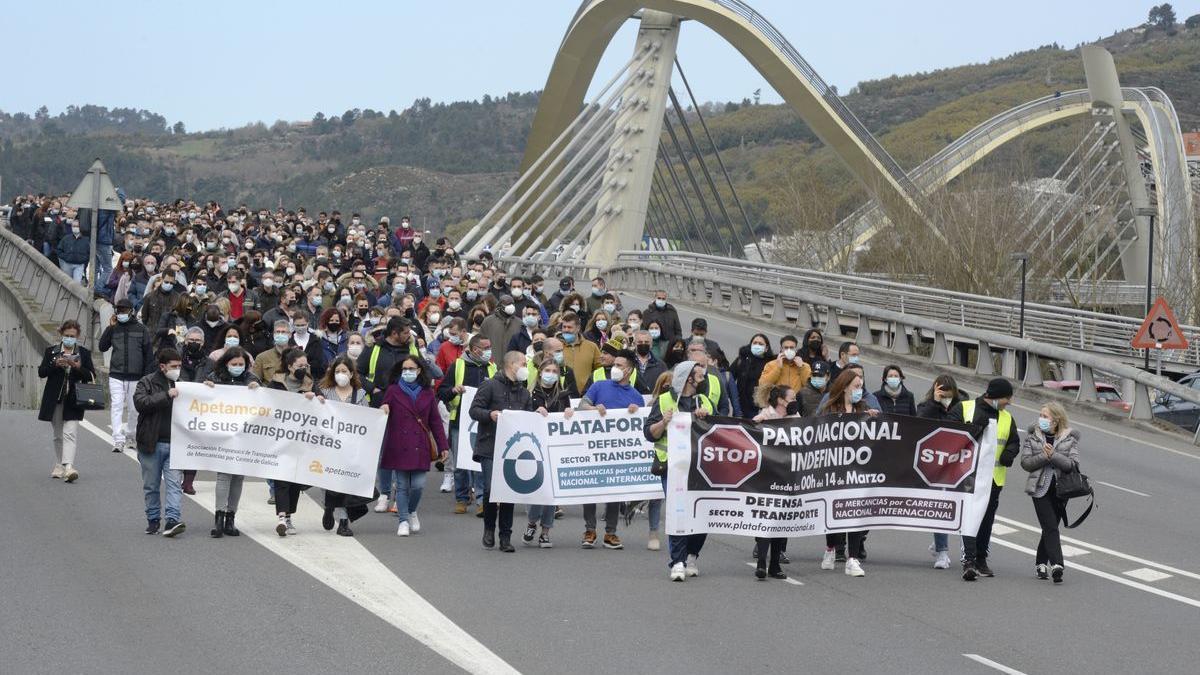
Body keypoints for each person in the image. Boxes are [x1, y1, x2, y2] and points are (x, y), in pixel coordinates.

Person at [644, 361, 712, 582]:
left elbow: (721, 432)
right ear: (687, 377)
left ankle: (692, 555)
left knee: (701, 514)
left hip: (701, 469)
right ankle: (678, 561)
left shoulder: (704, 402)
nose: (702, 375)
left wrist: (707, 419)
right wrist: (663, 422)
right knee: (678, 511)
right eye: (698, 373)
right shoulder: (664, 400)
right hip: (672, 468)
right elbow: (649, 434)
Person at [469, 351, 541, 553]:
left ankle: (506, 536)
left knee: (509, 491)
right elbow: (474, 410)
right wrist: (489, 414)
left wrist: (538, 414)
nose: (526, 367)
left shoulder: (524, 392)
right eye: (523, 363)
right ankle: (489, 530)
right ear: (511, 365)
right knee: (492, 490)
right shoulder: (490, 385)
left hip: (513, 450)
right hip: (490, 445)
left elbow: (526, 420)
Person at [950, 377, 1020, 581]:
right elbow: (948, 434)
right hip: (968, 476)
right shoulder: (965, 409)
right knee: (970, 517)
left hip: (994, 479)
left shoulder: (1007, 418)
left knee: (987, 521)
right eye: (1007, 398)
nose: (1009, 402)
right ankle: (969, 561)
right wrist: (974, 429)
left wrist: (1010, 452)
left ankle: (981, 558)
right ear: (996, 396)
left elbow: (1014, 441)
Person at [577, 349, 644, 550]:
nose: (615, 368)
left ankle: (610, 533)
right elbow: (582, 406)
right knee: (590, 490)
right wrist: (594, 410)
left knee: (613, 492)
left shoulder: (636, 396)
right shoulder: (599, 386)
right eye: (615, 364)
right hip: (593, 448)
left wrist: (636, 411)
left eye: (620, 366)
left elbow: (641, 425)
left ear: (629, 371)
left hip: (617, 452)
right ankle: (590, 530)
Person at [379, 355, 450, 536]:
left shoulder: (427, 393)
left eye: (411, 369)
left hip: (420, 444)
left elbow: (435, 421)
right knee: (402, 485)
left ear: (419, 371)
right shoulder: (393, 390)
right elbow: (384, 407)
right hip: (399, 444)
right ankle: (403, 520)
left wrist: (443, 446)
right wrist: (384, 408)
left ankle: (411, 511)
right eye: (404, 369)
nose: (407, 372)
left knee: (418, 485)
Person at [818, 369, 876, 577]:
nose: (860, 391)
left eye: (861, 387)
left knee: (855, 513)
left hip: (858, 471)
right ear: (844, 388)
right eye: (856, 387)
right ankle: (830, 548)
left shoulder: (864, 409)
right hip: (834, 471)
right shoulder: (829, 409)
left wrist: (873, 420)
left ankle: (852, 559)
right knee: (834, 514)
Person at [200, 347, 261, 538]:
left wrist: (254, 386)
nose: (237, 367)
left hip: (244, 436)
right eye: (234, 364)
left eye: (241, 364)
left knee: (238, 477)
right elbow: (203, 396)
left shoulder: (250, 379)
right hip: (223, 435)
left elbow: (261, 397)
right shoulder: (214, 377)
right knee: (224, 475)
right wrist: (207, 387)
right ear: (226, 363)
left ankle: (230, 517)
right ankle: (218, 518)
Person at [314, 355, 375, 536]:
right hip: (329, 446)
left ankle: (343, 522)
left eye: (344, 371)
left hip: (350, 448)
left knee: (345, 484)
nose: (341, 374)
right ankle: (328, 506)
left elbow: (367, 420)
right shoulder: (324, 392)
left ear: (351, 373)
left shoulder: (361, 394)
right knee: (329, 482)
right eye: (338, 371)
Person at [436, 334, 495, 515]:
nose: (488, 351)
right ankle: (461, 498)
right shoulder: (458, 365)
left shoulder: (492, 368)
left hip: (483, 422)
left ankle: (481, 500)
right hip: (460, 421)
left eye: (489, 347)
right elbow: (442, 391)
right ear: (474, 349)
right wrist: (454, 390)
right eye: (485, 348)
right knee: (461, 463)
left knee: (480, 462)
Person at [1020, 402, 1079, 584]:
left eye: (1045, 416)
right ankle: (1057, 564)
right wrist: (1044, 456)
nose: (1041, 419)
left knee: (1050, 526)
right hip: (1040, 488)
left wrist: (1053, 455)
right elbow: (1026, 463)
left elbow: (1072, 465)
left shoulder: (1070, 439)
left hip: (1062, 490)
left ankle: (1040, 563)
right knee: (1050, 526)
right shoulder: (1033, 437)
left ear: (1056, 419)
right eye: (1041, 415)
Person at [132, 347, 187, 537]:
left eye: (180, 365)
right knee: (151, 485)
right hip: (151, 443)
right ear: (163, 366)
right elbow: (141, 403)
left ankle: (172, 519)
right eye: (174, 366)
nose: (177, 369)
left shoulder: (183, 384)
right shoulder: (146, 382)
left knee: (174, 484)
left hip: (176, 444)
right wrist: (166, 395)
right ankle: (153, 519)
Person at [38, 320, 96, 483]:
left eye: (72, 336)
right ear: (61, 335)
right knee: (58, 434)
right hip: (55, 398)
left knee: (69, 432)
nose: (69, 338)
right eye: (66, 336)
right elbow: (42, 372)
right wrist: (55, 364)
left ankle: (69, 466)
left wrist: (76, 366)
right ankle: (59, 464)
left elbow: (91, 375)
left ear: (78, 336)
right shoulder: (52, 351)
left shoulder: (83, 353)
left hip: (74, 398)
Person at [266, 348, 316, 536]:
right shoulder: (276, 383)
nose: (304, 368)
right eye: (300, 365)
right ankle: (281, 517)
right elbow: (266, 403)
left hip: (301, 440)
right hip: (279, 438)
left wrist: (316, 399)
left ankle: (288, 516)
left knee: (295, 480)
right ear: (289, 366)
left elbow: (322, 406)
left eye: (306, 365)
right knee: (281, 479)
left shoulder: (310, 383)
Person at [524, 356, 572, 548]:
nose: (550, 375)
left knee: (552, 492)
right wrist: (534, 412)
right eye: (547, 371)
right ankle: (531, 522)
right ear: (540, 372)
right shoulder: (529, 393)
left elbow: (569, 416)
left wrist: (569, 413)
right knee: (537, 489)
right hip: (536, 448)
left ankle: (545, 531)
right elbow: (522, 416)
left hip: (556, 447)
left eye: (554, 371)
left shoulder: (562, 394)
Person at [917, 374, 962, 569]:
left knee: (957, 507)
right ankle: (942, 552)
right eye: (942, 393)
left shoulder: (962, 407)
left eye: (948, 394)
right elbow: (918, 423)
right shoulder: (926, 405)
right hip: (934, 465)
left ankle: (939, 543)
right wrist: (935, 403)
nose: (945, 397)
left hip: (957, 463)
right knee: (940, 507)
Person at [99, 298, 154, 453]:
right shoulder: (114, 329)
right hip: (116, 374)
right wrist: (109, 328)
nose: (121, 313)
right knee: (116, 406)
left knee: (134, 408)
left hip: (136, 376)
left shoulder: (141, 329)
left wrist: (146, 376)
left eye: (124, 310)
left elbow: (148, 355)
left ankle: (131, 435)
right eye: (119, 310)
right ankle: (118, 439)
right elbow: (102, 346)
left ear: (131, 311)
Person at [751, 385, 795, 580]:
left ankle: (775, 564)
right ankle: (761, 561)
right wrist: (757, 423)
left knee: (781, 521)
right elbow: (749, 435)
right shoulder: (764, 416)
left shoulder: (796, 419)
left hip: (786, 476)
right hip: (765, 476)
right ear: (781, 400)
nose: (795, 401)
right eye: (792, 398)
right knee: (764, 519)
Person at [558, 312, 601, 397]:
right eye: (564, 327)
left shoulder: (591, 346)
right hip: (562, 395)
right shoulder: (556, 346)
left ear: (578, 328)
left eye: (569, 327)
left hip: (586, 396)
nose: (566, 330)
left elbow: (599, 370)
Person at [731, 333, 773, 418]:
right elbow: (729, 377)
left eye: (760, 344)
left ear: (766, 348)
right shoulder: (742, 359)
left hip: (758, 408)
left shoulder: (770, 364)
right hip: (739, 406)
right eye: (754, 343)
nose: (757, 345)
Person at [631, 329, 667, 396]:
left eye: (646, 342)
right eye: (640, 342)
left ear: (651, 344)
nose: (643, 344)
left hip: (653, 402)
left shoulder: (661, 365)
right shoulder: (628, 362)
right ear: (634, 344)